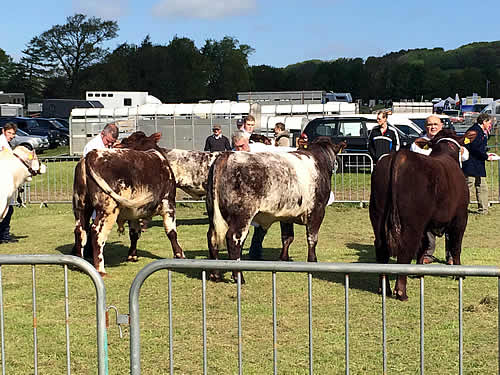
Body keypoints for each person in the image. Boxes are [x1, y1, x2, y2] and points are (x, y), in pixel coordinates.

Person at [410, 115, 469, 264]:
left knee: (453, 220)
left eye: (435, 124)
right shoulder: (419, 143)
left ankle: (451, 256)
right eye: (429, 125)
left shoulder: (451, 140)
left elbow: (466, 154)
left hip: (452, 189)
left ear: (441, 125)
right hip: (428, 189)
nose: (433, 127)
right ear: (425, 127)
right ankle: (427, 254)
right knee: (426, 223)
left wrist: (458, 150)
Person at [462, 113, 494, 215]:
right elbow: (474, 148)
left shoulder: (481, 132)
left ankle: (483, 209)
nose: (490, 125)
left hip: (478, 164)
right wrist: (486, 156)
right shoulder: (474, 131)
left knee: (482, 186)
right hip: (470, 164)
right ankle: (460, 208)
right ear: (484, 122)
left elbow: (479, 147)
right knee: (467, 187)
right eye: (489, 122)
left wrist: (486, 152)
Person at [0, 122, 18, 243]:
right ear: (3, 131)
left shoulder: (6, 143)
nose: (11, 135)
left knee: (8, 208)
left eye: (13, 133)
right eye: (9, 133)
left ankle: (4, 234)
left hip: (6, 179)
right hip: (2, 179)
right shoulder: (1, 142)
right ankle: (3, 235)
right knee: (6, 208)